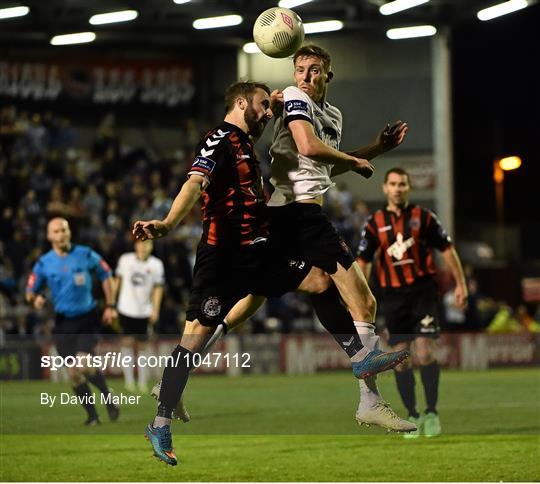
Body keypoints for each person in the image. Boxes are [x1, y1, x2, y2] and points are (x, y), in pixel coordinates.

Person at [133, 81, 410, 466]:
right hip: (221, 260)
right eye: (262, 106)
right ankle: (160, 424)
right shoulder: (221, 138)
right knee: (192, 341)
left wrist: (275, 101)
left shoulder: (247, 142)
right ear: (241, 102)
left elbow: (283, 131)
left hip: (257, 254)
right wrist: (165, 223)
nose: (268, 112)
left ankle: (359, 357)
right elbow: (195, 182)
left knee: (319, 280)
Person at [356, 167, 468, 437]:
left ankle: (431, 411)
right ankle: (413, 414)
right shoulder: (374, 223)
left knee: (425, 353)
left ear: (408, 188)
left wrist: (460, 284)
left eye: (402, 184)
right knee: (402, 360)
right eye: (393, 183)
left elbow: (447, 249)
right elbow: (364, 261)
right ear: (385, 188)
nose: (397, 188)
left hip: (423, 293)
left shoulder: (424, 218)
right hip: (394, 298)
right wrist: (360, 295)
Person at [25, 217, 120, 425]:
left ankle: (107, 397)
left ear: (69, 233)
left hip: (87, 317)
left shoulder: (85, 254)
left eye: (64, 230)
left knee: (83, 364)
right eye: (56, 231)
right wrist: (36, 298)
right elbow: (30, 291)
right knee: (73, 374)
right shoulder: (44, 263)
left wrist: (110, 306)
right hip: (63, 323)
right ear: (50, 236)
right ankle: (93, 416)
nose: (61, 235)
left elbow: (106, 274)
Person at [113, 239, 165, 393]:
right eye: (141, 243)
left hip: (144, 311)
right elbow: (117, 282)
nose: (143, 246)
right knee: (126, 343)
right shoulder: (125, 260)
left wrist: (155, 309)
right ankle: (129, 382)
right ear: (135, 245)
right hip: (125, 309)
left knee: (143, 347)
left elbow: (158, 289)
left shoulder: (156, 264)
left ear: (151, 246)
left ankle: (142, 382)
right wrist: (112, 304)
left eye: (147, 244)